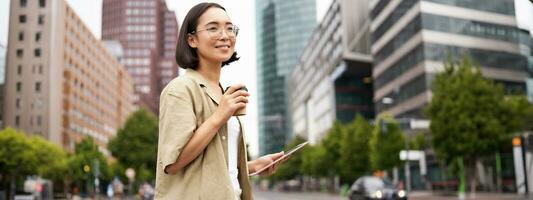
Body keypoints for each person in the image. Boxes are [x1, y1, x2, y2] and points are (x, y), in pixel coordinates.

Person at [155, 3, 286, 200]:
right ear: (191, 40)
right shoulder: (180, 89)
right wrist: (220, 116)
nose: (225, 35)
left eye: (229, 28)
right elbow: (173, 163)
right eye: (213, 28)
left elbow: (212, 164)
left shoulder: (222, 93)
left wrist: (252, 167)